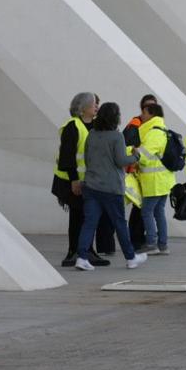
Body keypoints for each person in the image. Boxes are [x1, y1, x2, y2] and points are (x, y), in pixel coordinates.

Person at [73, 102, 145, 271]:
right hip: (111, 188)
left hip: (91, 186)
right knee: (119, 223)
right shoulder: (116, 136)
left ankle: (82, 257)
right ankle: (130, 257)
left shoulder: (92, 134)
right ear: (115, 117)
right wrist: (136, 156)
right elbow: (121, 161)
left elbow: (88, 158)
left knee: (89, 223)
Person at [52, 92, 110, 268]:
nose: (96, 107)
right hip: (72, 181)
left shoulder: (94, 126)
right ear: (84, 107)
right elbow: (67, 158)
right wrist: (74, 180)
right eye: (94, 104)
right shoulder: (73, 126)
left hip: (88, 182)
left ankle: (86, 251)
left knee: (87, 216)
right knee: (78, 216)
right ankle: (74, 252)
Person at [135, 102, 174, 255]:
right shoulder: (161, 130)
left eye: (144, 113)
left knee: (147, 211)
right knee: (158, 212)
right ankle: (163, 245)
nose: (141, 116)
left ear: (151, 114)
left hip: (155, 181)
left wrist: (131, 151)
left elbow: (145, 155)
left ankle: (152, 244)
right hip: (163, 180)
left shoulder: (154, 132)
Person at [124, 94, 157, 248]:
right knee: (139, 206)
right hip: (136, 170)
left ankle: (138, 236)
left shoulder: (154, 124)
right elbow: (129, 144)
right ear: (142, 109)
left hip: (149, 172)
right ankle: (135, 238)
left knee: (144, 207)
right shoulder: (135, 123)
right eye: (147, 107)